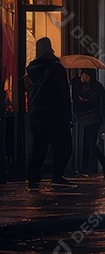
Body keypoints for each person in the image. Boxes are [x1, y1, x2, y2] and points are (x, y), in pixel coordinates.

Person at [25, 37, 74, 188]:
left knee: (39, 147)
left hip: (37, 114)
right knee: (64, 146)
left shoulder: (31, 70)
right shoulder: (56, 68)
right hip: (55, 115)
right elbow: (63, 94)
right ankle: (57, 176)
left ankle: (33, 177)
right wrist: (68, 116)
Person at [71, 69, 105, 179]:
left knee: (90, 143)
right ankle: (97, 168)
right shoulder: (76, 85)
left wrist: (87, 102)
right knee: (88, 144)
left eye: (86, 77)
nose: (84, 78)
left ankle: (101, 167)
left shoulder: (97, 87)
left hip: (95, 118)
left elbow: (101, 104)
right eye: (83, 76)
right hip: (80, 118)